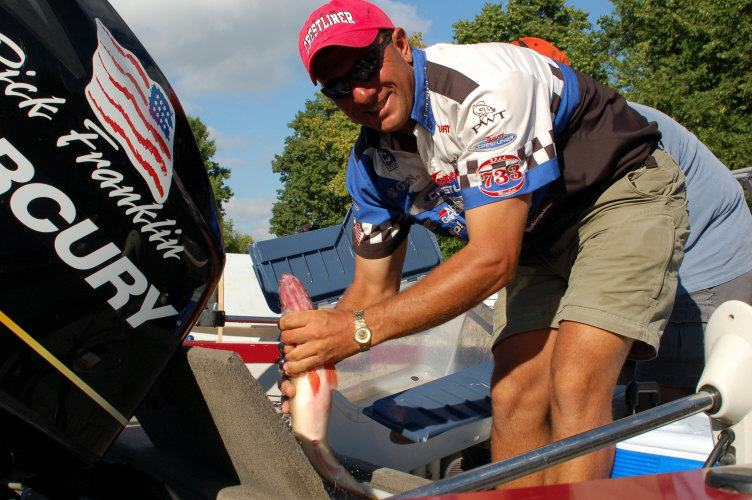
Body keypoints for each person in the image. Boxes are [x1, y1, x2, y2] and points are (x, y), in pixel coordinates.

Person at [280, 0, 689, 487]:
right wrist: (314, 359)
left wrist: (358, 331)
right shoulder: (370, 167)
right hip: (535, 237)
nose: (362, 93)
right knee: (514, 394)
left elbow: (493, 260)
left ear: (401, 44)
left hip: (615, 196)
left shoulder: (485, 90)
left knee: (576, 380)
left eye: (366, 66)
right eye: (339, 88)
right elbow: (370, 293)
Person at [511, 38, 752, 402]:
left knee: (673, 399)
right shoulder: (541, 135)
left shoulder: (618, 126)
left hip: (704, 264)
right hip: (670, 247)